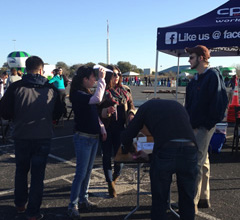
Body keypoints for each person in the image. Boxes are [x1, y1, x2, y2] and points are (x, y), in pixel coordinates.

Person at [0, 56, 63, 220]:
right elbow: (59, 112)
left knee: (21, 171)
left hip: (21, 135)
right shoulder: (50, 89)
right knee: (37, 175)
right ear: (42, 70)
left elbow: (5, 112)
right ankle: (33, 212)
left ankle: (20, 204)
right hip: (43, 136)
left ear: (25, 69)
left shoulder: (15, 87)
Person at [121, 99, 198, 220]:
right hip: (190, 149)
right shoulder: (176, 105)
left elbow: (128, 134)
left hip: (166, 150)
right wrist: (151, 155)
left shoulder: (145, 108)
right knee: (187, 199)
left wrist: (130, 149)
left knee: (160, 200)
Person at [185, 45, 228, 213]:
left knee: (195, 162)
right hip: (196, 126)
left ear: (201, 58)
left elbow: (219, 103)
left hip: (202, 127)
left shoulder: (212, 76)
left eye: (192, 57)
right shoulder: (197, 78)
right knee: (204, 161)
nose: (189, 60)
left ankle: (191, 204)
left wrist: (205, 125)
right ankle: (204, 197)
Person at [67, 65, 107, 220]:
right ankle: (73, 205)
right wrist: (103, 79)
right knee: (81, 173)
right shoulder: (78, 94)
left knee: (88, 172)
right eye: (93, 77)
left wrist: (101, 127)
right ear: (84, 79)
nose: (95, 80)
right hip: (83, 137)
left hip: (92, 136)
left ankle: (83, 200)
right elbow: (97, 99)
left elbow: (94, 113)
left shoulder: (86, 93)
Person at [98, 65, 136, 198]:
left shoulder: (125, 90)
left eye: (119, 74)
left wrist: (131, 113)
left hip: (121, 128)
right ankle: (110, 183)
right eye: (114, 74)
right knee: (107, 156)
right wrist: (106, 112)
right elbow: (95, 111)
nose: (117, 77)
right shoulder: (102, 91)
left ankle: (115, 176)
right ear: (108, 76)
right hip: (106, 129)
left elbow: (131, 105)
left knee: (120, 157)